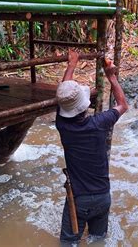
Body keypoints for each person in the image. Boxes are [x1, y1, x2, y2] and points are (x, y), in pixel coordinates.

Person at [55, 49, 128, 245]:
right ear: (85, 105)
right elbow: (122, 104)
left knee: (69, 243)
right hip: (104, 197)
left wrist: (71, 64)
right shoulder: (100, 123)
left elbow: (63, 95)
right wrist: (111, 76)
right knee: (98, 241)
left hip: (79, 201)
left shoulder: (63, 126)